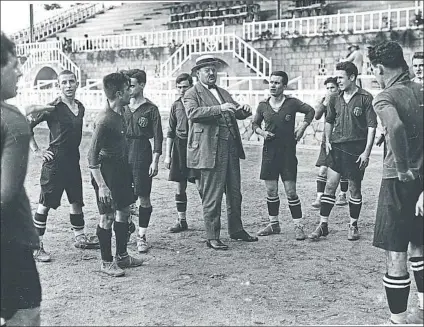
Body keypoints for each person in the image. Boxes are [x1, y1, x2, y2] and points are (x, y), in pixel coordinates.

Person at [368, 41, 423, 325]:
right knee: (420, 245)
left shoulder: (384, 96)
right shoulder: (422, 90)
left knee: (396, 253)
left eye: (374, 72)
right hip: (423, 182)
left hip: (398, 181)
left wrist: (402, 167)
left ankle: (397, 320)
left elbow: (397, 127)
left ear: (379, 68)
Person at [0, 31, 53, 327]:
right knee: (26, 314)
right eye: (13, 63)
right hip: (8, 238)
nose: (21, 71)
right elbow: (5, 196)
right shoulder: (12, 121)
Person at [184, 54, 258, 250]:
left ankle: (236, 230)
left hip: (230, 148)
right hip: (209, 150)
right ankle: (212, 236)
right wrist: (219, 108)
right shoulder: (192, 93)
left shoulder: (223, 92)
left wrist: (244, 110)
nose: (211, 72)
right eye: (207, 70)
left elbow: (233, 111)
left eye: (214, 69)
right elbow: (193, 114)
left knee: (235, 193)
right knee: (212, 195)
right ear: (197, 73)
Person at [29, 70, 99, 263]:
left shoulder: (80, 107)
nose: (68, 86)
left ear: (77, 83)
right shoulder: (52, 107)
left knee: (76, 200)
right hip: (55, 161)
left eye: (71, 82)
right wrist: (37, 151)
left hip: (73, 160)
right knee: (45, 204)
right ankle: (36, 246)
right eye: (64, 83)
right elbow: (27, 127)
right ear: (58, 86)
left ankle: (80, 237)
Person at [308, 61, 377, 241]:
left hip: (356, 149)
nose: (338, 81)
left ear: (352, 77)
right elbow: (329, 120)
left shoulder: (365, 98)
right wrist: (329, 141)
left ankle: (353, 225)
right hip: (337, 147)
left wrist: (366, 152)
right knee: (330, 185)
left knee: (354, 189)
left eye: (341, 77)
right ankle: (323, 225)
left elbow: (371, 127)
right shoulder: (334, 98)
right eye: (337, 77)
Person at [88, 72, 144, 277]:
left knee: (124, 212)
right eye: (129, 88)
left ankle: (122, 255)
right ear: (120, 93)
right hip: (105, 172)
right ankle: (106, 262)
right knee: (107, 216)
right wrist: (102, 185)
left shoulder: (125, 112)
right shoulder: (104, 120)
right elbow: (91, 156)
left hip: (121, 169)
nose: (132, 91)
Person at [252, 71, 314, 240]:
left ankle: (298, 226)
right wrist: (263, 133)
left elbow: (310, 111)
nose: (273, 85)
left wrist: (301, 129)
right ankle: (274, 225)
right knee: (271, 191)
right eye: (271, 82)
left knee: (291, 192)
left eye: (277, 83)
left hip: (287, 153)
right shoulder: (263, 105)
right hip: (269, 153)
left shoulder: (292, 103)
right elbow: (255, 124)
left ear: (284, 86)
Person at [122, 69, 163, 253]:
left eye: (132, 85)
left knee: (143, 196)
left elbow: (158, 137)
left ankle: (141, 235)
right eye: (127, 86)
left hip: (141, 153)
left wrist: (155, 161)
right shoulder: (122, 107)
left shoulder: (151, 109)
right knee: (124, 195)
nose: (129, 89)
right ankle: (127, 229)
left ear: (142, 85)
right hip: (122, 153)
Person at [164, 73, 198, 233]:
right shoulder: (176, 105)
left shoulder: (198, 104)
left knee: (202, 186)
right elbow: (170, 131)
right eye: (179, 87)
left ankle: (211, 222)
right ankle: (181, 220)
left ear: (191, 86)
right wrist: (167, 155)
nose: (182, 90)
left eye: (185, 86)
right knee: (180, 187)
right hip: (179, 146)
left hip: (197, 147)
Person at [312, 77, 349, 208]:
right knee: (322, 169)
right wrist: (323, 104)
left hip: (341, 139)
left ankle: (343, 194)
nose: (329, 90)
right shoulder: (325, 100)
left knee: (343, 170)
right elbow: (316, 116)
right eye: (327, 88)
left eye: (332, 88)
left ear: (338, 88)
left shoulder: (344, 100)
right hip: (326, 140)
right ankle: (319, 197)